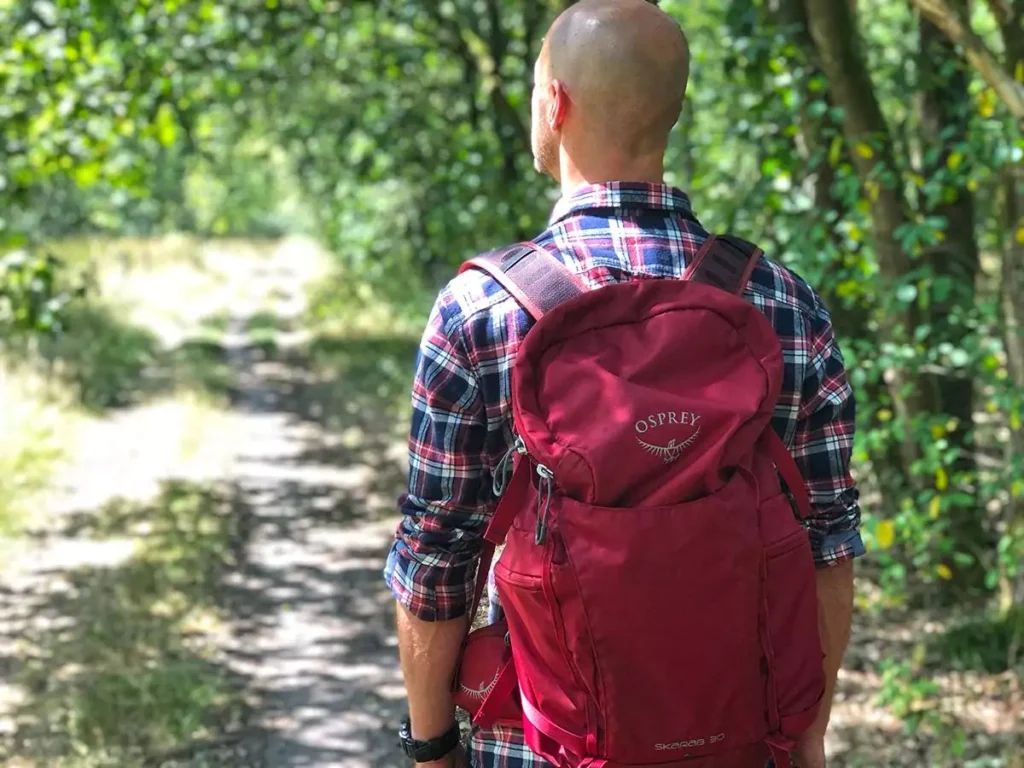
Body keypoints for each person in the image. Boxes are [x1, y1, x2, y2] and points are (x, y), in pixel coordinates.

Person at [383, 1, 864, 766]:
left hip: (546, 743)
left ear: (556, 103)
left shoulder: (480, 309)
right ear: (671, 111)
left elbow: (438, 553)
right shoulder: (781, 303)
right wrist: (806, 737)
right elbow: (827, 544)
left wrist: (432, 744)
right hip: (741, 741)